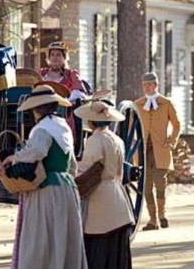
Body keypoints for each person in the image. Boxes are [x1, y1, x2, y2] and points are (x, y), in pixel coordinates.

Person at [0, 85, 87, 269]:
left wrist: (14, 158)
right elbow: (71, 165)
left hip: (47, 191)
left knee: (41, 241)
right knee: (63, 239)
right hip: (67, 189)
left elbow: (36, 152)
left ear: (36, 110)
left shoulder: (42, 129)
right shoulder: (63, 127)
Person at [75, 101, 135, 269]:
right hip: (118, 195)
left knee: (99, 249)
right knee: (116, 252)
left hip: (100, 198)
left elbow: (89, 168)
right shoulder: (118, 140)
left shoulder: (95, 140)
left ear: (92, 121)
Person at [135, 72, 181, 231]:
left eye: (150, 84)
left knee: (160, 182)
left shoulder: (166, 103)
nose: (147, 87)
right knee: (146, 185)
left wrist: (171, 140)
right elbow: (130, 126)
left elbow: (177, 124)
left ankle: (162, 214)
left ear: (156, 85)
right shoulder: (138, 104)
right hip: (143, 151)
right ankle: (152, 219)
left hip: (160, 149)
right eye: (145, 85)